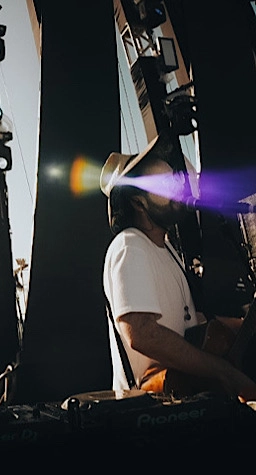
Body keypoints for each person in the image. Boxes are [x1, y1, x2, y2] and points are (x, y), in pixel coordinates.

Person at [100, 139, 256, 401]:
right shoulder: (130, 245)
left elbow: (191, 326)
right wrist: (223, 371)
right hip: (153, 415)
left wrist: (245, 324)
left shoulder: (167, 250)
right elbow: (142, 333)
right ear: (138, 202)